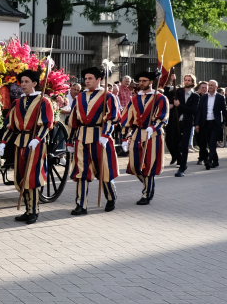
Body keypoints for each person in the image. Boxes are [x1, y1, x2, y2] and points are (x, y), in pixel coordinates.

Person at [0, 69, 53, 224]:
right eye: (21, 82)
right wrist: (3, 142)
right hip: (20, 142)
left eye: (26, 82)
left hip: (35, 144)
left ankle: (34, 211)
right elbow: (10, 126)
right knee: (21, 176)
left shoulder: (43, 101)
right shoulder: (17, 103)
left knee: (32, 177)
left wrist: (37, 139)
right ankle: (28, 209)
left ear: (34, 83)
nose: (23, 84)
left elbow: (46, 124)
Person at [67, 66, 121, 215]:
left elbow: (112, 118)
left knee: (104, 170)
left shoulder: (108, 96)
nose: (87, 81)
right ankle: (81, 204)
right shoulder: (79, 97)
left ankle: (111, 197)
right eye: (86, 78)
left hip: (100, 137)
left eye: (90, 78)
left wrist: (106, 135)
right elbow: (73, 120)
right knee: (81, 172)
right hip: (81, 137)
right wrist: (70, 140)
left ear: (99, 79)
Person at [123, 70, 169, 205]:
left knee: (149, 165)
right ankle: (149, 185)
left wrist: (153, 127)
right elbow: (127, 118)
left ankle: (147, 193)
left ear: (151, 82)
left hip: (153, 134)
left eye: (144, 81)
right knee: (135, 165)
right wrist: (125, 137)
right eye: (140, 81)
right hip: (137, 133)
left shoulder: (160, 98)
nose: (141, 83)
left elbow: (163, 117)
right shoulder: (134, 99)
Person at [194, 79, 227, 170]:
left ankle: (209, 161)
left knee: (212, 143)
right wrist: (197, 124)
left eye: (212, 85)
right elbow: (199, 111)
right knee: (205, 144)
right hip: (205, 124)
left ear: (216, 87)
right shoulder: (203, 97)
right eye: (209, 85)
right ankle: (216, 161)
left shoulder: (220, 97)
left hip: (215, 124)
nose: (210, 87)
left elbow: (225, 111)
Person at [170, 74, 199, 177]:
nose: (186, 81)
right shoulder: (178, 92)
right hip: (176, 122)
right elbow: (169, 95)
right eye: (185, 80)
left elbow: (193, 110)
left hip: (187, 123)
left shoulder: (195, 96)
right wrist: (172, 81)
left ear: (193, 82)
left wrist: (179, 105)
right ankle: (179, 160)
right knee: (174, 143)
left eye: (189, 80)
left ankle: (182, 167)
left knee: (184, 146)